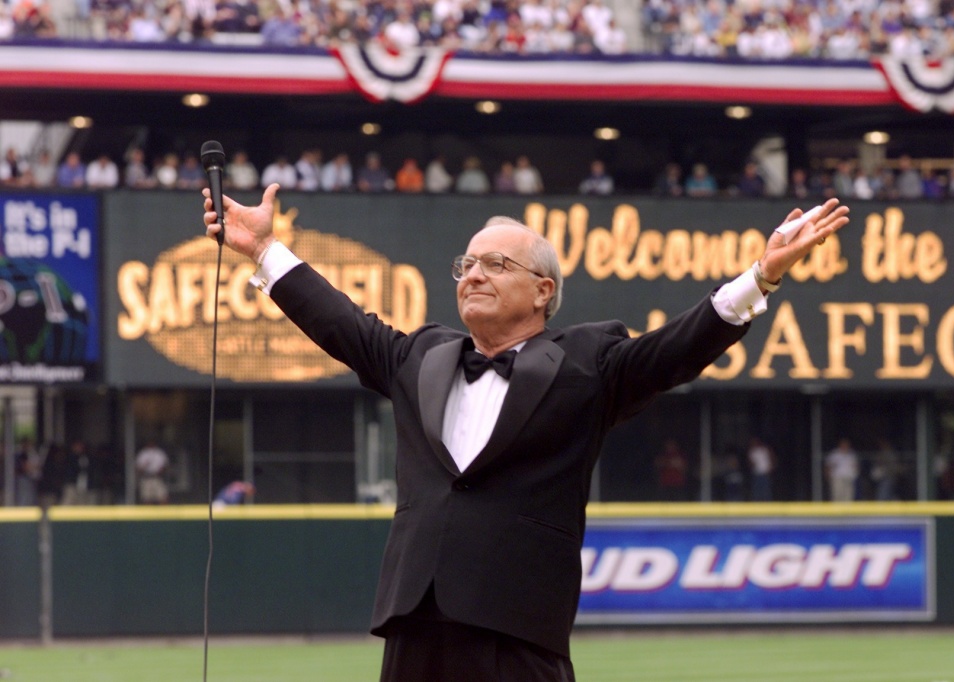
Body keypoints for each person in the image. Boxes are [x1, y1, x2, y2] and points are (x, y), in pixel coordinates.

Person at [202, 183, 848, 681]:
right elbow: (340, 321)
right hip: (415, 617)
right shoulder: (420, 356)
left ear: (543, 291)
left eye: (495, 264)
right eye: (467, 264)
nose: (473, 275)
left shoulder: (588, 363)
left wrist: (760, 276)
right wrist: (264, 250)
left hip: (516, 625)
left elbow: (675, 349)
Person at [826, 437, 860, 502]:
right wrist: (828, 475)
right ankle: (836, 511)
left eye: (846, 444)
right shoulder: (834, 454)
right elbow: (828, 466)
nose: (845, 446)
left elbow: (856, 466)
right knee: (837, 495)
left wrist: (856, 473)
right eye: (843, 444)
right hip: (837, 478)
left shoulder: (851, 454)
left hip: (849, 478)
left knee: (848, 495)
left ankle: (847, 511)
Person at [747, 436, 775, 501]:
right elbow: (750, 463)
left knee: (766, 491)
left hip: (765, 473)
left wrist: (772, 466)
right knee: (756, 491)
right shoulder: (751, 452)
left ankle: (767, 507)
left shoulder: (765, 449)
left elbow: (772, 457)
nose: (753, 443)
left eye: (754, 442)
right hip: (757, 474)